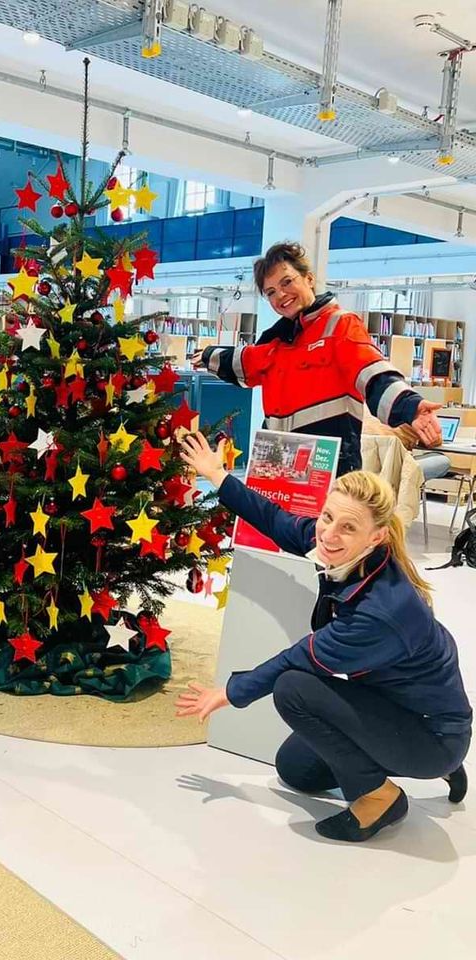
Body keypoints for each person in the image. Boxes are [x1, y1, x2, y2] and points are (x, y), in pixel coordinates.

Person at [176, 432, 471, 842]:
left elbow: (297, 659)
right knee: (295, 769)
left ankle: (381, 798)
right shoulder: (341, 550)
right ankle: (419, 760)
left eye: (347, 527)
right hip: (396, 704)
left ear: (376, 537)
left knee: (293, 688)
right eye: (327, 517)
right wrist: (218, 476)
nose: (329, 534)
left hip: (432, 731)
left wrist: (228, 692)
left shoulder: (383, 612)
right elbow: (275, 519)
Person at [190, 242, 443, 475]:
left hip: (328, 465)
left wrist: (410, 406)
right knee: (265, 524)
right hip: (275, 460)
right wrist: (208, 355)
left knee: (324, 526)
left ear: (309, 279)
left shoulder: (340, 325)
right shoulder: (276, 342)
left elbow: (372, 372)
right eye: (271, 292)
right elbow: (243, 360)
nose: (280, 295)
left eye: (287, 282)